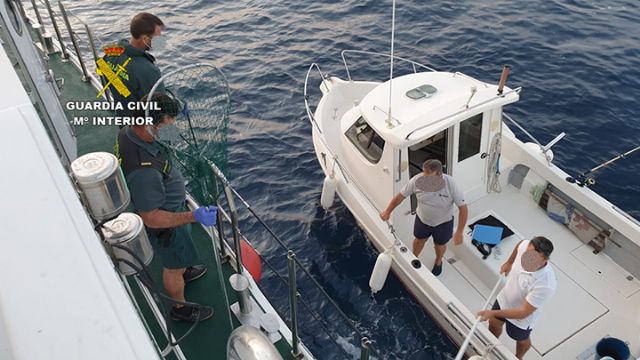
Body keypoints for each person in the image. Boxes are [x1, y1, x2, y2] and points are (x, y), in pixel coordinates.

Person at [115, 93, 216, 322]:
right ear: (150, 125)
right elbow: (151, 218)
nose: (173, 128)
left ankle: (184, 269)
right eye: (169, 124)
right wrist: (193, 216)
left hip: (173, 208)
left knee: (180, 261)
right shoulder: (145, 172)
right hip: (167, 225)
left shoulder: (130, 131)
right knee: (172, 266)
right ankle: (180, 309)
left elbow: (166, 135)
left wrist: (176, 116)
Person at [380, 159, 468, 276]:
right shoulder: (417, 180)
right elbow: (400, 196)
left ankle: (438, 261)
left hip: (443, 223)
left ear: (439, 175)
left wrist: (459, 232)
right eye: (423, 174)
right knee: (419, 240)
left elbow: (463, 208)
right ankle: (414, 257)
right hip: (422, 220)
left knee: (440, 245)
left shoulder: (451, 184)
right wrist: (388, 211)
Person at [477, 236, 557, 360]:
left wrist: (492, 312)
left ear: (545, 259)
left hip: (522, 316)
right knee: (493, 322)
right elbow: (520, 243)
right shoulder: (525, 246)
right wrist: (509, 262)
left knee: (519, 337)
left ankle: (519, 357)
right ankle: (490, 344)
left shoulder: (546, 284)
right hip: (505, 298)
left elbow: (522, 313)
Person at [103, 12, 166, 117]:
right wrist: (178, 105)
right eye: (157, 38)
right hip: (142, 127)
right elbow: (161, 107)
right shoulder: (149, 70)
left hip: (123, 117)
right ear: (145, 39)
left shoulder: (110, 52)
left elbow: (106, 73)